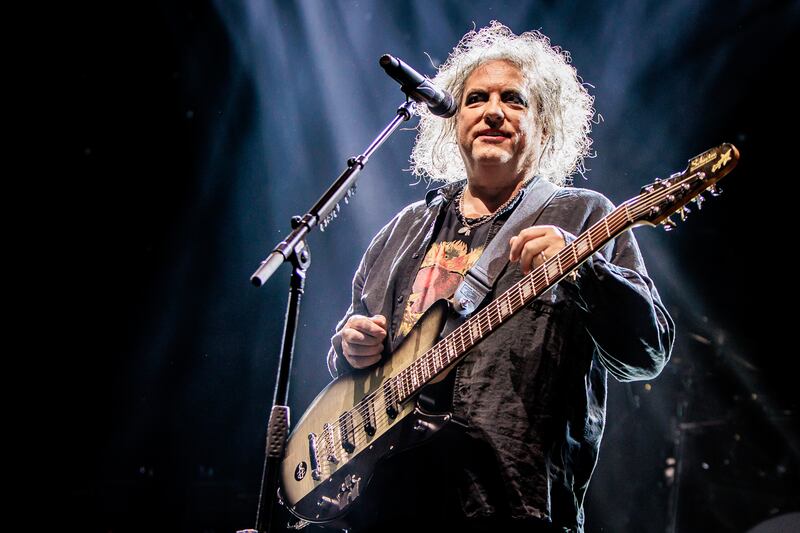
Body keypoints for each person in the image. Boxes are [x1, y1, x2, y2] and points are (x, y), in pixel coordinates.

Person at [324, 21, 674, 533]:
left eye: (513, 99)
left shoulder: (583, 216)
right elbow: (353, 364)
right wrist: (350, 349)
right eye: (476, 99)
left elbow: (646, 354)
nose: (492, 111)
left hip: (512, 502)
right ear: (453, 122)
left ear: (545, 127)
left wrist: (585, 270)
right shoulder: (404, 230)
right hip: (385, 503)